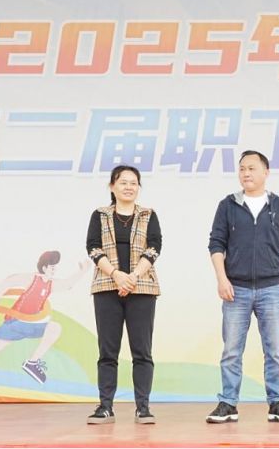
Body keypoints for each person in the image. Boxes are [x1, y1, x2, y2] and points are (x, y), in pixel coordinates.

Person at [206, 150, 279, 424]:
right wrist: (222, 279)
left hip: (272, 288)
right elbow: (216, 244)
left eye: (251, 168)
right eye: (242, 169)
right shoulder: (228, 205)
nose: (246, 173)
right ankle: (228, 403)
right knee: (231, 350)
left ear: (265, 172)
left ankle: (278, 402)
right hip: (236, 289)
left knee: (275, 350)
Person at [85, 165, 162, 425]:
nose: (129, 187)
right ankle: (105, 407)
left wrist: (133, 277)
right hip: (107, 287)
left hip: (143, 288)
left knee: (142, 351)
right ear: (112, 186)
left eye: (134, 183)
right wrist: (117, 275)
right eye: (123, 182)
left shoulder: (148, 215)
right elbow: (93, 247)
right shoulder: (100, 215)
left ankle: (143, 407)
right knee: (108, 351)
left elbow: (154, 247)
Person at [0, 251, 86, 393]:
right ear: (44, 268)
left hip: (32, 323)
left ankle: (32, 362)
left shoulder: (50, 284)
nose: (54, 270)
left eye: (55, 267)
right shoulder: (33, 279)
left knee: (54, 328)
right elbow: (10, 280)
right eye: (52, 267)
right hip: (16, 322)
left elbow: (67, 284)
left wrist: (82, 272)